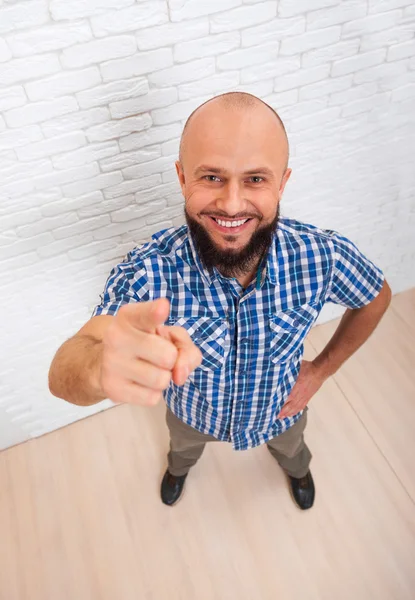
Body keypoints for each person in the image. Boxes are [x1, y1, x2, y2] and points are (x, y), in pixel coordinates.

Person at [48, 92, 391, 511]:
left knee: (294, 451)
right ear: (182, 177)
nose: (231, 204)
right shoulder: (149, 271)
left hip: (279, 411)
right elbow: (67, 368)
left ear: (282, 182)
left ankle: (298, 470)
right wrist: (96, 367)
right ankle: (179, 470)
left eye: (255, 179)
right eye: (211, 177)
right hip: (193, 415)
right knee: (182, 451)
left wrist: (319, 372)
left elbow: (376, 298)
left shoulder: (322, 256)